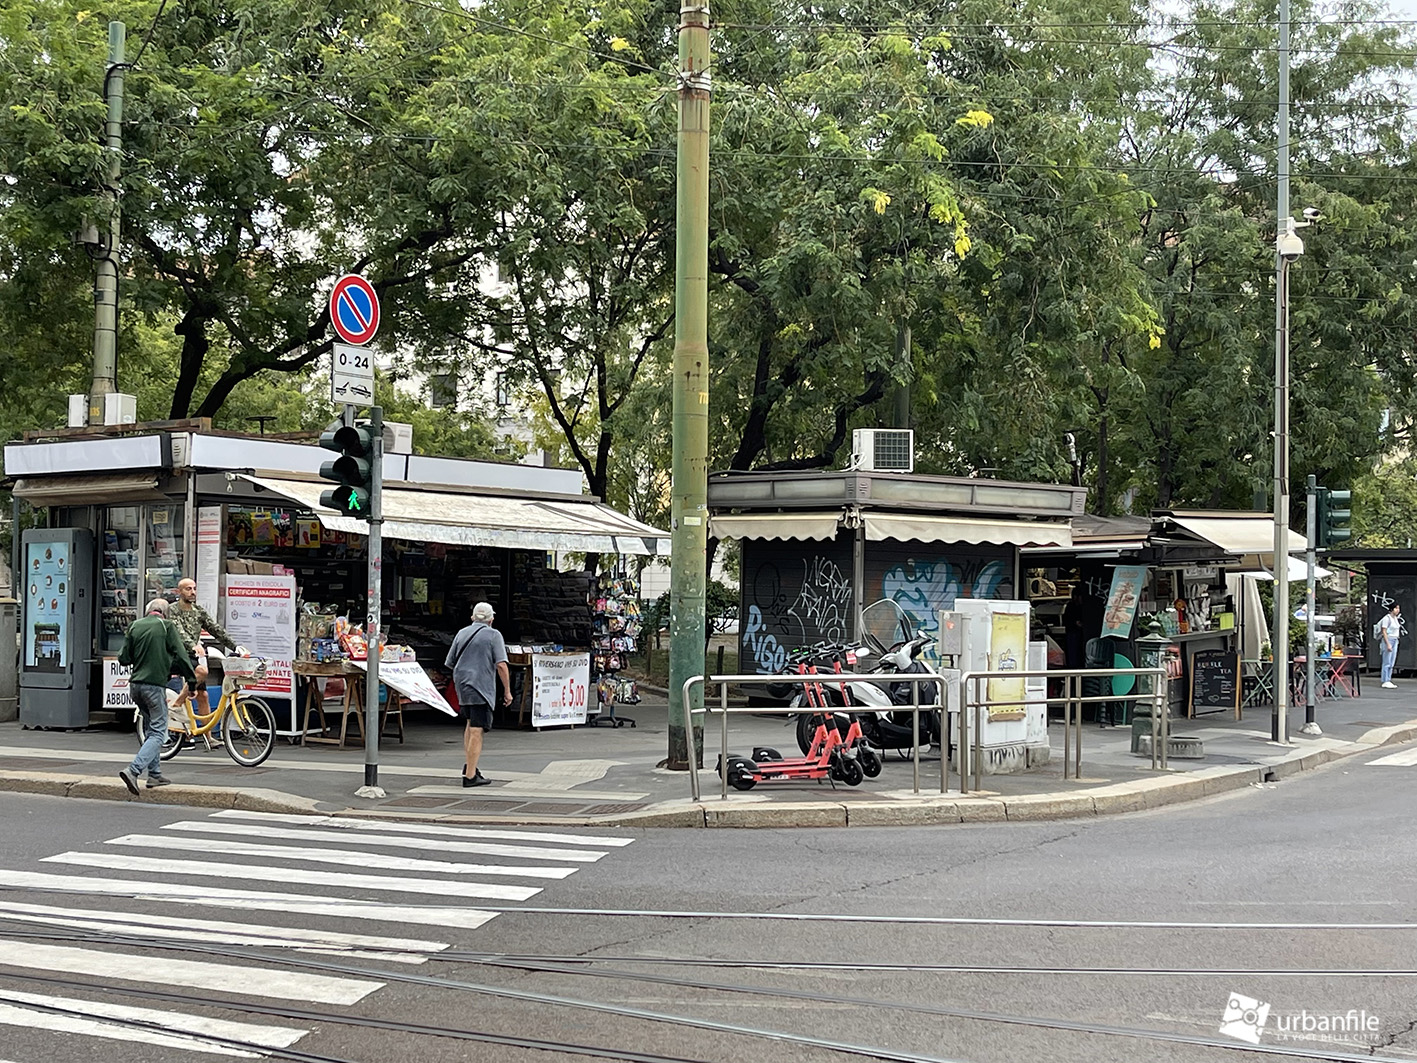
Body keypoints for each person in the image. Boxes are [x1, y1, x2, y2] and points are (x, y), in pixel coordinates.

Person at [118, 598, 197, 795]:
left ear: (148, 611)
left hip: (135, 686)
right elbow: (182, 655)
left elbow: (123, 658)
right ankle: (133, 770)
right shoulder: (166, 626)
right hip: (154, 686)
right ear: (165, 612)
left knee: (150, 728)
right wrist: (191, 682)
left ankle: (155, 774)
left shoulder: (135, 625)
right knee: (159, 732)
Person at [445, 601, 511, 787]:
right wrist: (507, 691)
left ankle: (470, 766)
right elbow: (501, 665)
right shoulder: (494, 635)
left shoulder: (461, 633)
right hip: (480, 686)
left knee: (470, 724)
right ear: (491, 619)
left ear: (472, 617)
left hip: (463, 686)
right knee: (477, 729)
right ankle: (470, 776)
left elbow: (450, 662)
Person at [166, 577, 241, 717]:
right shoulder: (172, 610)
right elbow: (178, 631)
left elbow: (216, 630)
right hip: (176, 655)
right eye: (188, 589)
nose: (193, 592)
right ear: (179, 591)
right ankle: (177, 705)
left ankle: (207, 731)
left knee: (203, 696)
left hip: (192, 656)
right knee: (202, 671)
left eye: (194, 589)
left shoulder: (198, 611)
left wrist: (235, 647)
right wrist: (193, 645)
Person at [1378, 603, 1402, 688]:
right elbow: (1384, 631)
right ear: (1391, 609)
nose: (1398, 610)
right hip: (1389, 639)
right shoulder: (1386, 618)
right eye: (1396, 608)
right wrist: (1388, 643)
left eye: (1398, 608)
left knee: (1392, 662)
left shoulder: (1395, 618)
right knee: (1387, 661)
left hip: (1395, 639)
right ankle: (1385, 680)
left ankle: (1388, 679)